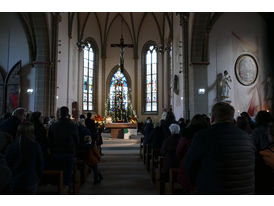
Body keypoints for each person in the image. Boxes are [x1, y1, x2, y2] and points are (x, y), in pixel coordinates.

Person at [185, 102, 255, 194]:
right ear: (232, 118)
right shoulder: (247, 137)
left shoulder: (203, 136)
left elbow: (190, 166)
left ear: (212, 118)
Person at [5, 122, 44, 194]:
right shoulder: (35, 146)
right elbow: (40, 163)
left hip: (15, 180)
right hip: (30, 179)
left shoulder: (11, 146)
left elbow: (8, 164)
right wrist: (38, 176)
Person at [176, 114, 210, 194]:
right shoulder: (209, 134)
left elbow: (179, 152)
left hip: (188, 170)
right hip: (206, 171)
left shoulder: (186, 134)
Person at [48, 106, 79, 192]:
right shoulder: (72, 125)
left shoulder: (53, 125)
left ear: (59, 114)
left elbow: (49, 140)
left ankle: (58, 190)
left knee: (57, 173)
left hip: (55, 153)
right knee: (68, 174)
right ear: (68, 113)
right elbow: (76, 139)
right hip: (68, 153)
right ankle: (67, 190)